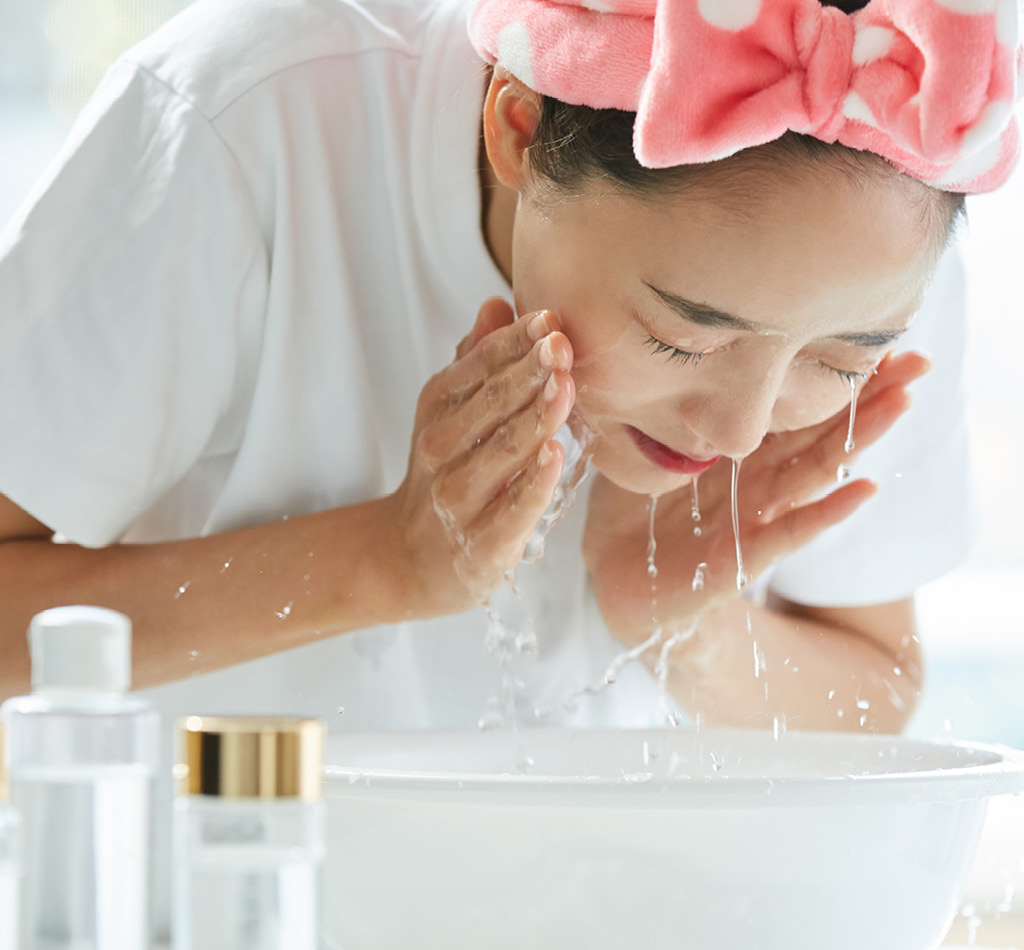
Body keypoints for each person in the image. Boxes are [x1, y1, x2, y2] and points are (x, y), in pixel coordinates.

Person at [0, 0, 1018, 737]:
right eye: (684, 337)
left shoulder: (875, 251)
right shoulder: (244, 120)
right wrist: (384, 560)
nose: (743, 428)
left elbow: (876, 688)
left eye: (838, 361)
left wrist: (682, 628)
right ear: (515, 129)